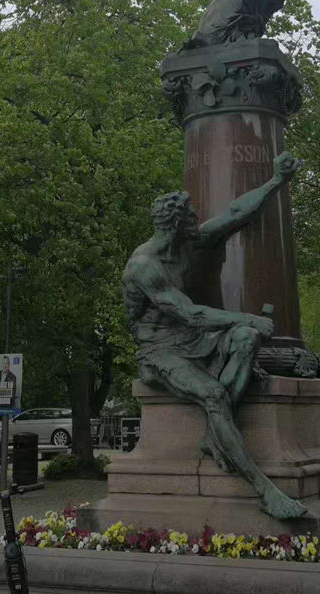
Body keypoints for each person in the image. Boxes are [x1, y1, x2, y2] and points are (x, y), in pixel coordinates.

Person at [122, 151, 305, 520]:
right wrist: (247, 317)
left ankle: (215, 434)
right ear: (175, 225)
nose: (198, 219)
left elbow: (237, 214)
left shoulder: (189, 242)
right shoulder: (144, 266)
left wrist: (277, 180)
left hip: (189, 339)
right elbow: (190, 313)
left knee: (245, 339)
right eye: (191, 216)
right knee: (214, 394)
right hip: (158, 350)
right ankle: (264, 490)